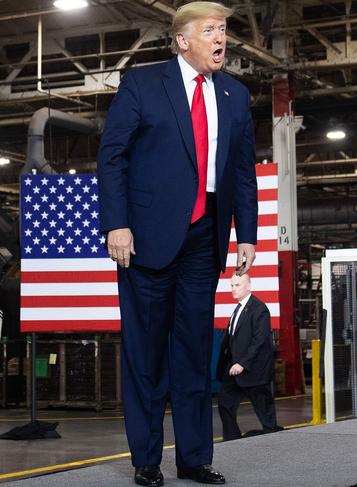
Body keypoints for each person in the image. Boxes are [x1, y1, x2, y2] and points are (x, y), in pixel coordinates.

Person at [97, 2, 258, 485]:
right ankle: (147, 460)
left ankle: (193, 457)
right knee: (146, 353)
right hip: (145, 239)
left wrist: (245, 234)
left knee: (192, 352)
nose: (220, 38)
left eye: (224, 30)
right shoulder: (143, 84)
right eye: (210, 30)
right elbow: (112, 157)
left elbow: (243, 172)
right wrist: (116, 224)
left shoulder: (235, 94)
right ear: (182, 40)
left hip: (204, 238)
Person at [217, 273, 280, 441]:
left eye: (237, 285)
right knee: (225, 404)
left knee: (264, 410)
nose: (233, 289)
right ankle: (232, 440)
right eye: (231, 285)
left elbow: (259, 341)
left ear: (249, 286)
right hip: (233, 370)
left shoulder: (259, 309)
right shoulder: (238, 309)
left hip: (253, 371)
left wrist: (242, 363)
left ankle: (272, 438)